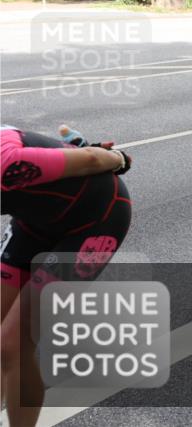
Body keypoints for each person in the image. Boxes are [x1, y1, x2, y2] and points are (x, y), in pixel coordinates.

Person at [1, 126, 132, 427]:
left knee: (12, 345)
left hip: (96, 221)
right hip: (35, 222)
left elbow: (89, 159)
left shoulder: (6, 163)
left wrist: (118, 158)